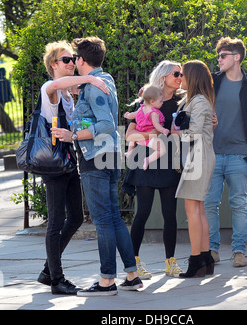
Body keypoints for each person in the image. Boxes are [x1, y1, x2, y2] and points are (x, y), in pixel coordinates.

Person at [52, 36, 142, 296]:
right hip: (110, 156)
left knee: (102, 221)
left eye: (74, 58)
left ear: (81, 60)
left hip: (96, 159)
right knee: (113, 218)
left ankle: (106, 282)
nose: (73, 62)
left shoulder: (94, 87)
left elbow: (106, 125)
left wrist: (74, 135)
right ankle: (132, 276)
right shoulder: (105, 81)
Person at [37, 40, 109, 295]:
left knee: (76, 217)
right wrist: (90, 80)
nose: (71, 63)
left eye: (73, 59)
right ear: (54, 65)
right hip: (53, 163)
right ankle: (56, 279)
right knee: (56, 221)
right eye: (66, 60)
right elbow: (56, 85)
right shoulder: (51, 88)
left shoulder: (70, 93)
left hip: (68, 161)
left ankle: (48, 270)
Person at [204, 37, 247, 267]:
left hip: (239, 154)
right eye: (218, 56)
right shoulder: (212, 81)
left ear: (237, 57)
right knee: (209, 203)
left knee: (239, 204)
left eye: (223, 56)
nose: (219, 60)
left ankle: (238, 251)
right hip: (212, 153)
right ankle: (212, 249)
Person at [124, 60, 184, 279]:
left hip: (168, 163)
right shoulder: (146, 100)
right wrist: (156, 135)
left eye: (181, 74)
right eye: (176, 73)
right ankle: (134, 263)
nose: (180, 77)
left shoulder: (181, 103)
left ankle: (171, 261)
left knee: (170, 213)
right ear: (164, 76)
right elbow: (130, 136)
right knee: (143, 212)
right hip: (145, 161)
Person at [172, 60, 216, 278]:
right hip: (199, 157)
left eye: (183, 74)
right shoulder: (196, 101)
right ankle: (205, 258)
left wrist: (176, 133)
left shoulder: (198, 102)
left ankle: (196, 259)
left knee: (193, 210)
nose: (180, 78)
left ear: (193, 77)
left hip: (198, 158)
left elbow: (194, 133)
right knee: (198, 208)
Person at [124, 84, 170, 170]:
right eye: (160, 101)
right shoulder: (154, 113)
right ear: (152, 102)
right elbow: (157, 125)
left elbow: (133, 115)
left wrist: (127, 115)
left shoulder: (141, 108)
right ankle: (148, 159)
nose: (162, 103)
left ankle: (130, 151)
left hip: (138, 137)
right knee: (162, 150)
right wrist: (163, 130)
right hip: (149, 139)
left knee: (132, 139)